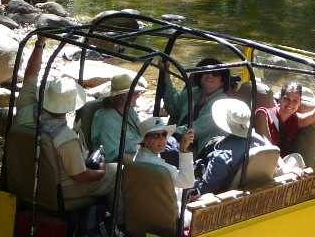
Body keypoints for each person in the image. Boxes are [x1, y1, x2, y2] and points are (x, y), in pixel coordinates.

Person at [15, 38, 119, 203]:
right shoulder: (65, 138)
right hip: (59, 190)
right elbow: (81, 176)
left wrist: (39, 44)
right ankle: (115, 222)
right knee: (118, 172)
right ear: (70, 106)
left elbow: (31, 73)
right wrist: (101, 171)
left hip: (26, 179)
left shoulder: (25, 109)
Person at [193, 98, 271, 196]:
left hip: (224, 197)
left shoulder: (222, 155)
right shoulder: (259, 140)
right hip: (252, 191)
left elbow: (204, 189)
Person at [255, 78, 315, 157]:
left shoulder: (296, 120)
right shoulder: (263, 114)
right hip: (264, 161)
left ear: (299, 102)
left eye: (295, 101)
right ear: (280, 98)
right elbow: (267, 147)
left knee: (296, 158)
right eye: (286, 99)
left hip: (284, 167)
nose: (290, 104)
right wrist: (284, 168)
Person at [161, 57, 232, 155]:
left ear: (222, 80)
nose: (209, 76)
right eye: (206, 72)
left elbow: (196, 130)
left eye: (215, 74)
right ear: (200, 75)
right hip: (178, 140)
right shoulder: (193, 92)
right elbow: (173, 106)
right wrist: (166, 75)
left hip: (201, 152)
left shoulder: (222, 103)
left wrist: (164, 133)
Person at [89, 72, 146, 161]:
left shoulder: (129, 111)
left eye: (138, 92)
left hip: (139, 154)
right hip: (121, 164)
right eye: (134, 93)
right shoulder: (106, 119)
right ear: (121, 96)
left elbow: (141, 132)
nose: (138, 95)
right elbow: (112, 155)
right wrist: (141, 162)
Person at [136, 117, 196, 191]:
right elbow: (187, 182)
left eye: (164, 134)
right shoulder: (155, 165)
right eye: (155, 136)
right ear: (145, 140)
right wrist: (183, 150)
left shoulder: (141, 155)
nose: (162, 139)